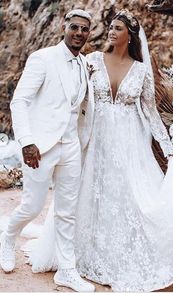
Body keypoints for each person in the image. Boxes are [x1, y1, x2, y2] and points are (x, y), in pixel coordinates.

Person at [22, 9, 173, 291]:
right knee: (86, 195)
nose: (111, 31)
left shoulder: (142, 71)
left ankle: (117, 254)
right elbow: (71, 97)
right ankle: (74, 257)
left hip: (128, 145)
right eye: (110, 26)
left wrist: (169, 150)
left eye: (118, 28)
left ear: (130, 36)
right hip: (95, 140)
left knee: (125, 198)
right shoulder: (92, 61)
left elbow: (150, 113)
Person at [0, 9, 95, 292]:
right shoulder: (43, 58)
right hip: (40, 147)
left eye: (84, 29)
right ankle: (7, 237)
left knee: (67, 212)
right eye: (74, 27)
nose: (79, 33)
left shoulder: (84, 64)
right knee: (32, 205)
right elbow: (20, 102)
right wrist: (27, 142)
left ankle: (67, 270)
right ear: (64, 27)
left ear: (88, 33)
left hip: (72, 147)